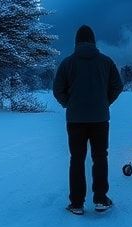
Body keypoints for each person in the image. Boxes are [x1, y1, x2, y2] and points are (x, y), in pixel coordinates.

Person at [53, 24, 123, 215]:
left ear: (76, 42)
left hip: (75, 120)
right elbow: (117, 86)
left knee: (77, 159)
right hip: (100, 119)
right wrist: (104, 102)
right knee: (100, 157)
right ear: (93, 41)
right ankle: (100, 198)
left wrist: (69, 103)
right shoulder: (106, 62)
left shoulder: (67, 63)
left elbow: (57, 89)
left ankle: (76, 203)